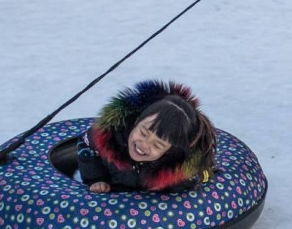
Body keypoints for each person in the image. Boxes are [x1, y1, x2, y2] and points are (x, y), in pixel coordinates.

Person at [50, 81, 217, 194]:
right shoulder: (110, 135)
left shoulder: (176, 165)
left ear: (170, 151)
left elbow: (196, 175)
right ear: (137, 120)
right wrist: (95, 179)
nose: (144, 144)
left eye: (157, 145)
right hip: (109, 188)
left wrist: (174, 183)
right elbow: (86, 149)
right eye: (143, 132)